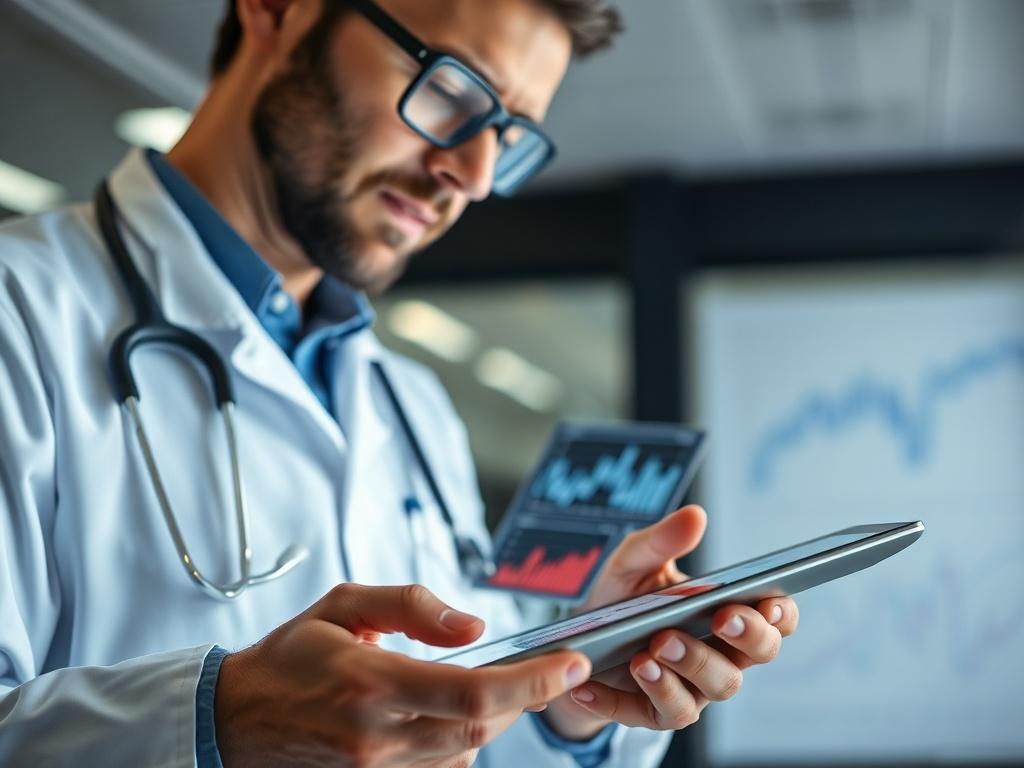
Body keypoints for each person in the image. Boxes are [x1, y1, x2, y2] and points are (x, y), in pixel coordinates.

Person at [0, 0, 799, 765]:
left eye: (508, 133)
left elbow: (456, 737)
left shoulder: (413, 407)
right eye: (453, 89)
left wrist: (573, 692)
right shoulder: (21, 314)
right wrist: (214, 723)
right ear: (277, 9)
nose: (476, 174)